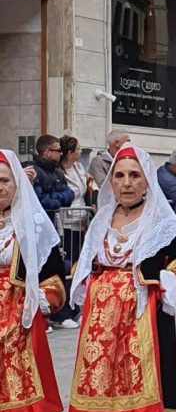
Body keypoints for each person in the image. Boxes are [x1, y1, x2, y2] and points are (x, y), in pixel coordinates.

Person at [68, 145, 176, 412]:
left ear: (146, 181)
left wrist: (160, 280)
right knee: (103, 391)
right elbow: (87, 265)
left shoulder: (161, 222)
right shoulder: (101, 219)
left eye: (134, 175)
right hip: (101, 324)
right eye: (120, 175)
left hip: (145, 321)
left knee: (142, 392)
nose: (126, 183)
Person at [0, 149, 82, 412]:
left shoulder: (31, 224)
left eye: (5, 180)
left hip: (18, 312)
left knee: (20, 384)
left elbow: (52, 276)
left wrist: (43, 301)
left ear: (18, 183)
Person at [53, 135, 92, 328]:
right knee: (67, 267)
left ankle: (76, 307)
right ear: (69, 153)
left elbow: (85, 188)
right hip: (66, 223)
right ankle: (62, 311)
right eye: (78, 149)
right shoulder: (58, 172)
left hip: (81, 222)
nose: (80, 151)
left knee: (78, 267)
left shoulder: (79, 167)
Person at [27, 135, 74, 229]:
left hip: (54, 224)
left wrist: (54, 197)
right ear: (48, 152)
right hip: (36, 225)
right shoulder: (32, 170)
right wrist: (55, 200)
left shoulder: (57, 172)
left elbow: (70, 195)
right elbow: (39, 200)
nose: (61, 154)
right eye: (58, 151)